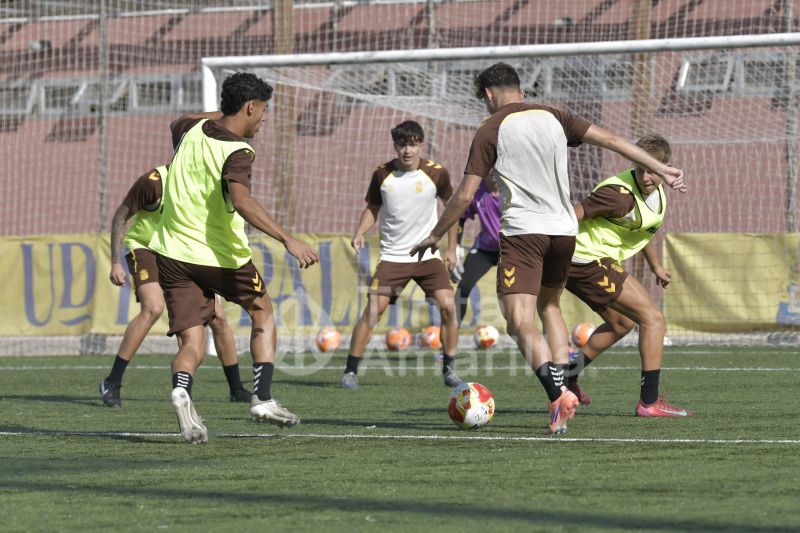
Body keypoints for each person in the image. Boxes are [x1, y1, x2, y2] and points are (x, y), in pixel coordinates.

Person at [410, 62, 686, 434]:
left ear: (490, 95)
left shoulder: (491, 128)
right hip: (565, 232)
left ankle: (557, 396)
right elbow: (615, 142)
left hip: (525, 233)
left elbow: (463, 196)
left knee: (519, 321)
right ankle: (565, 385)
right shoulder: (555, 116)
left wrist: (435, 235)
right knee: (550, 306)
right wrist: (664, 169)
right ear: (519, 89)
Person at [148, 72, 319, 443]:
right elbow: (241, 201)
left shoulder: (188, 130)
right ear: (251, 107)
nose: (264, 119)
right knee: (263, 311)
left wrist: (226, 112)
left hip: (172, 253)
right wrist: (288, 239)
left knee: (192, 343)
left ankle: (182, 391)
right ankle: (262, 398)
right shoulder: (238, 151)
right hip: (220, 257)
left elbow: (180, 119)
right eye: (263, 111)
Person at [101, 165, 251, 408]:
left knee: (218, 317)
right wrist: (116, 262)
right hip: (146, 247)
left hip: (183, 254)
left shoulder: (206, 181)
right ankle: (112, 381)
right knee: (153, 308)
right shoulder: (154, 182)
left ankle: (236, 388)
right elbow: (121, 215)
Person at [565, 133, 693, 417]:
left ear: (665, 167)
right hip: (585, 259)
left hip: (596, 258)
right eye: (640, 169)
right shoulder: (618, 195)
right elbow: (575, 213)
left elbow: (641, 229)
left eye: (652, 170)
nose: (646, 176)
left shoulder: (657, 192)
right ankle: (649, 402)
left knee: (621, 323)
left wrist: (656, 266)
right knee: (653, 318)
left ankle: (567, 376)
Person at [340, 120, 464, 390]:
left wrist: (452, 248)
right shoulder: (382, 174)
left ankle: (449, 369)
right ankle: (350, 372)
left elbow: (452, 210)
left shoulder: (437, 173)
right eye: (401, 144)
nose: (407, 150)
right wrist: (360, 231)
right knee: (373, 312)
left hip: (428, 257)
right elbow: (372, 208)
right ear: (395, 145)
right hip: (393, 256)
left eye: (412, 143)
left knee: (448, 306)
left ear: (421, 143)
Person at [454, 172, 502, 326]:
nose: (495, 172)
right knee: (463, 288)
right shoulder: (476, 190)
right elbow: (459, 217)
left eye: (499, 167)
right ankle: (452, 335)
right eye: (492, 168)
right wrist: (456, 248)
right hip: (484, 250)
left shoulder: (514, 191)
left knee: (513, 295)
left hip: (511, 251)